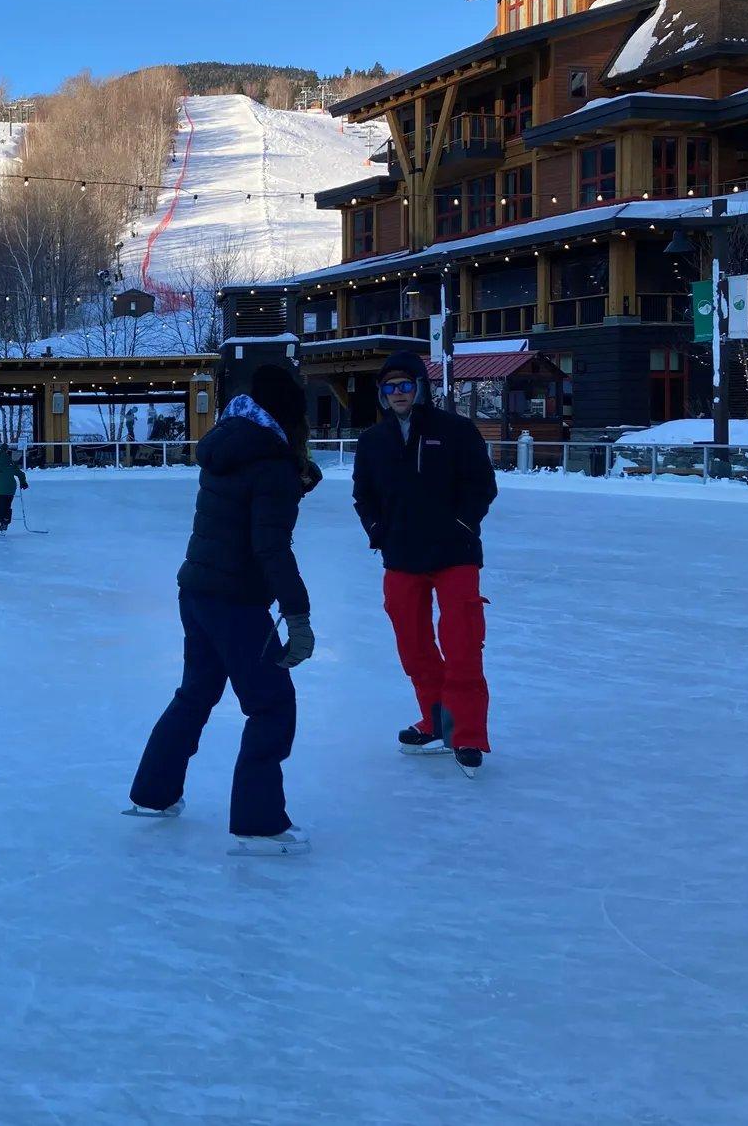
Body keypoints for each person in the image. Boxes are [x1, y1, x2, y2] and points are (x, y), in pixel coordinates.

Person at [128, 364, 316, 855]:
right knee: (271, 704)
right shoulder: (272, 463)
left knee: (195, 694)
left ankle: (154, 793)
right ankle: (259, 823)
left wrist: (291, 481)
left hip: (197, 591)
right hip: (236, 601)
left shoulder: (229, 442)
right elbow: (270, 547)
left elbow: (242, 507)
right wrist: (297, 615)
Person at [352, 350, 498, 775]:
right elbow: (364, 495)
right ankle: (437, 721)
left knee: (462, 645)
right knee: (414, 646)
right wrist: (377, 530)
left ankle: (466, 733)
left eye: (406, 385)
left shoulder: (455, 430)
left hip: (454, 555)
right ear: (382, 394)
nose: (398, 393)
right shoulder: (372, 441)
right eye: (390, 387)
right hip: (401, 557)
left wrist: (462, 525)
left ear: (420, 388)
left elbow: (481, 486)